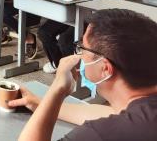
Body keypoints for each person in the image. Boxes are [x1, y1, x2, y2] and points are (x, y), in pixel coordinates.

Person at [11, 9, 157, 141]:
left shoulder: (100, 134)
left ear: (105, 68)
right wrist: (40, 104)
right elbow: (111, 114)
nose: (80, 54)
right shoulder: (143, 113)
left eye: (82, 48)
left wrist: (57, 89)